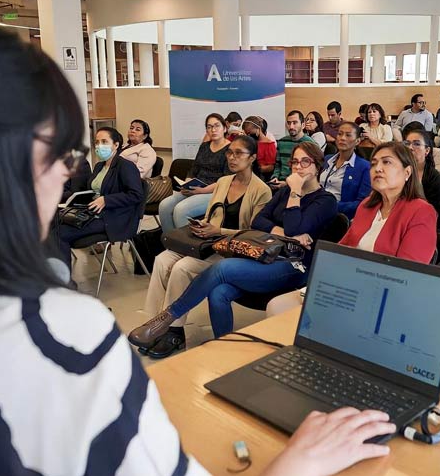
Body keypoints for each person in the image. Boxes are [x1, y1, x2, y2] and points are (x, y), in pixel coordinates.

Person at [0, 22, 396, 476]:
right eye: (65, 158)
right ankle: (170, 327)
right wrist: (299, 463)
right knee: (177, 258)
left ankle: (166, 322)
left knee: (214, 273)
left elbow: (281, 227)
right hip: (240, 246)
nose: (63, 177)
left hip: (280, 263)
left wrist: (286, 206)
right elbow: (262, 224)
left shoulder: (320, 198)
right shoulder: (62, 329)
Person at [128, 141, 338, 343]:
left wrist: (295, 192)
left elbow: (296, 227)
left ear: (318, 166)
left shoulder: (325, 200)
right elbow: (259, 221)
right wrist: (285, 234)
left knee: (223, 268)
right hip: (265, 254)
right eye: (295, 162)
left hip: (293, 266)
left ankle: (167, 317)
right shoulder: (283, 192)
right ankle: (223, 345)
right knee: (218, 292)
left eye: (305, 162)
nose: (298, 167)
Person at [267, 141, 437, 317]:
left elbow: (406, 276)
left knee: (289, 312)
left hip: (383, 297)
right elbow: (342, 249)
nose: (378, 168)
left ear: (407, 172)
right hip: (348, 286)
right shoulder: (367, 206)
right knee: (276, 305)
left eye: (387, 162)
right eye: (374, 163)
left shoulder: (421, 212)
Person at [139, 136, 272, 359]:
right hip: (208, 244)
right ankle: (153, 324)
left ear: (253, 158)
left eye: (239, 153)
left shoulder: (262, 191)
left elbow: (254, 235)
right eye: (230, 152)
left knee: (183, 267)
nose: (232, 157)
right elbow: (212, 216)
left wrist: (217, 231)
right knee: (162, 259)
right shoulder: (222, 182)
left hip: (234, 252)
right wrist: (204, 226)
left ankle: (174, 330)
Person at [58, 126, 144, 269]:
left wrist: (106, 200)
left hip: (114, 217)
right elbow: (90, 191)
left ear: (116, 145)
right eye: (97, 142)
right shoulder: (99, 166)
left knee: (60, 234)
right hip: (94, 213)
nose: (99, 146)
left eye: (104, 142)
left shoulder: (125, 166)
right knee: (53, 226)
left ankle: (64, 283)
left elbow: (136, 195)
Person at [159, 113, 231, 233]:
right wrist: (187, 183)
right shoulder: (204, 146)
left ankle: (188, 247)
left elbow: (226, 179)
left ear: (224, 128)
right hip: (196, 188)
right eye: (209, 127)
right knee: (164, 206)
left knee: (181, 210)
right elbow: (194, 169)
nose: (213, 130)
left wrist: (202, 190)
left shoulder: (230, 149)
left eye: (217, 126)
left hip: (215, 191)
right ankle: (172, 242)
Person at [320, 122, 371, 219]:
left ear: (357, 141)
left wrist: (333, 205)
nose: (342, 138)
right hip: (317, 209)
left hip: (340, 216)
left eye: (348, 135)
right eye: (340, 134)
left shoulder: (365, 167)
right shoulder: (327, 159)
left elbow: (362, 203)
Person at [402, 128, 440, 223]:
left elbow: (435, 213)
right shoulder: (396, 172)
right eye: (407, 143)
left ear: (427, 150)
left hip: (422, 223)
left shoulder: (433, 177)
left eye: (416, 144)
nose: (410, 147)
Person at [269, 110, 315, 187]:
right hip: (280, 183)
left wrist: (287, 184)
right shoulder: (282, 142)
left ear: (303, 125)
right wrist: (275, 177)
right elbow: (278, 165)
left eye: (295, 123)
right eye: (289, 123)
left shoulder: (310, 144)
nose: (291, 127)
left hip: (300, 185)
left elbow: (310, 173)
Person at [241, 115, 276, 180]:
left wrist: (257, 169)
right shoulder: (248, 143)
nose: (248, 135)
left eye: (249, 132)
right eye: (246, 133)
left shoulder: (269, 144)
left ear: (258, 128)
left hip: (261, 176)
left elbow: (271, 167)